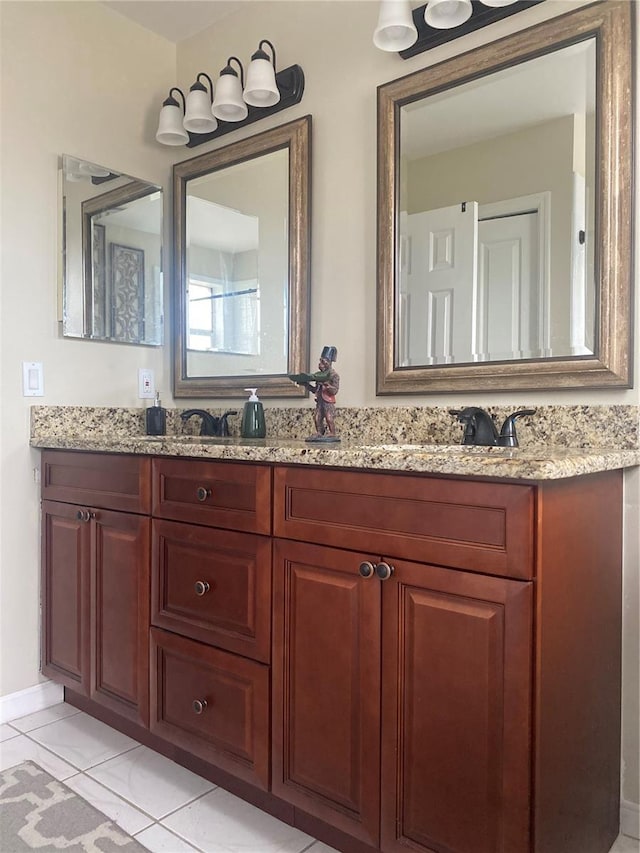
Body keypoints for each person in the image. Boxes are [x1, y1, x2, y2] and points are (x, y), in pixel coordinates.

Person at [289, 346, 340, 441]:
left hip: (328, 401)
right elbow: (315, 390)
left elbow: (335, 390)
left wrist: (328, 386)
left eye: (323, 362)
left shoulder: (333, 375)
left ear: (328, 363)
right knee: (317, 417)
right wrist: (306, 384)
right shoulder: (318, 376)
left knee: (329, 418)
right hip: (320, 400)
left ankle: (332, 433)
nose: (321, 365)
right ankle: (320, 432)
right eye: (320, 362)